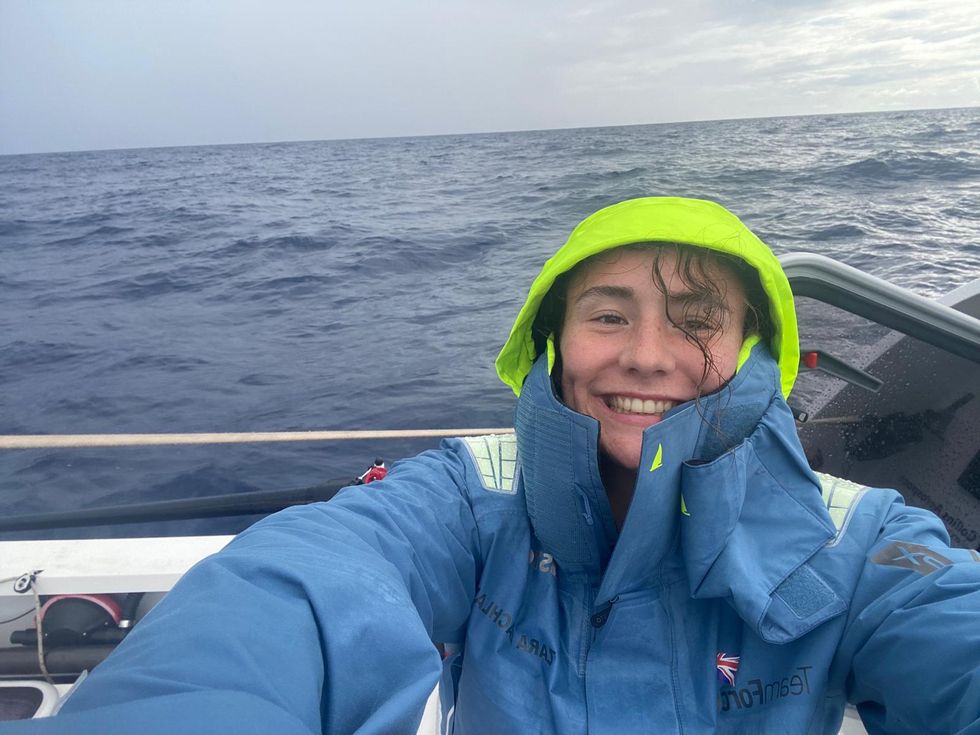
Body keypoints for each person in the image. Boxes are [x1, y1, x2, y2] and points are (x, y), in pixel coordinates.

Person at [6, 197, 979, 734]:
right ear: (551, 345)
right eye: (606, 316)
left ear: (756, 354)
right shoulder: (468, 499)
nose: (645, 354)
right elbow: (305, 590)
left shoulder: (861, 539)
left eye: (695, 322)